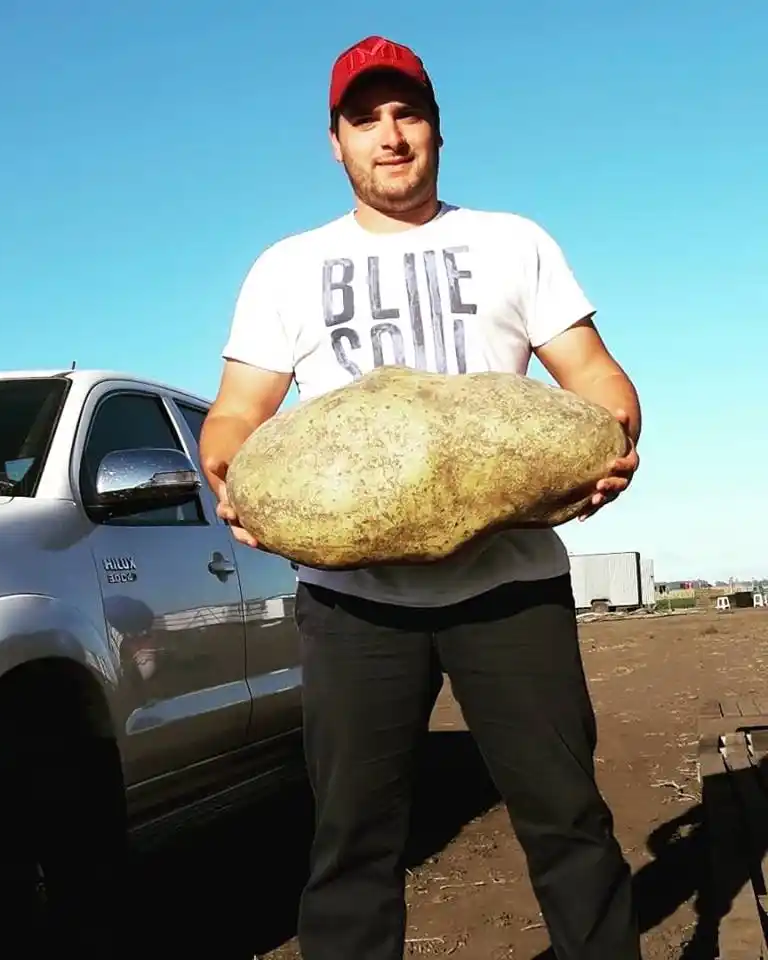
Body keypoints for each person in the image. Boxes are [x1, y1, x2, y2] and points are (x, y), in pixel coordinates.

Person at [199, 34, 642, 960]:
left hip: (510, 586)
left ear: (436, 129)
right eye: (367, 121)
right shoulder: (287, 267)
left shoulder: (512, 242)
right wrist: (235, 478)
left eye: (407, 115)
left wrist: (612, 440)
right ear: (336, 143)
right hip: (356, 604)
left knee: (567, 823)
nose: (390, 137)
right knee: (353, 845)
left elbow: (597, 377)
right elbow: (239, 414)